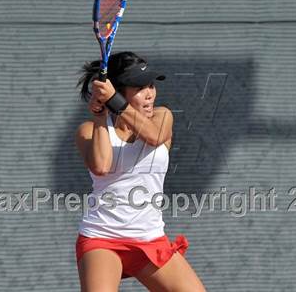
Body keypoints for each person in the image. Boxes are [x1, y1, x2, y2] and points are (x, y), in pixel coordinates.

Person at [74, 51, 206, 292]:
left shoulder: (162, 116)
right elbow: (101, 166)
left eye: (151, 86)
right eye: (139, 87)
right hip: (102, 239)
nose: (150, 94)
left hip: (150, 239)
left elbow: (154, 136)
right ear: (119, 89)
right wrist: (102, 115)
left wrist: (114, 100)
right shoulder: (87, 130)